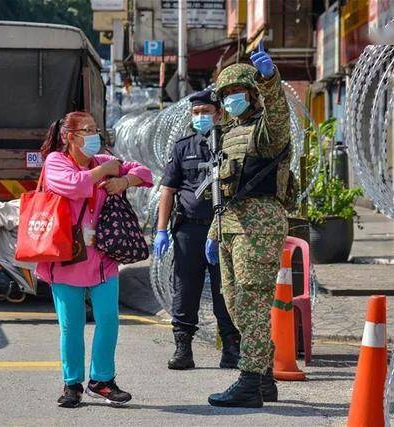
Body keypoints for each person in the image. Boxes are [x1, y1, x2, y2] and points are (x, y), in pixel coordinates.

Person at [36, 111, 153, 408]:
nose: (93, 136)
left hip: (102, 258)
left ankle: (101, 380)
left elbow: (145, 173)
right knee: (71, 326)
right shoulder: (56, 162)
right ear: (69, 136)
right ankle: (72, 384)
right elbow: (73, 184)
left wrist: (124, 180)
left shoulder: (103, 162)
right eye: (86, 131)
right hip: (66, 258)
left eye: (95, 129)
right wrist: (105, 173)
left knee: (109, 320)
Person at [205, 40, 291, 408]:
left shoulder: (266, 132)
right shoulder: (227, 134)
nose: (230, 99)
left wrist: (270, 79)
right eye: (225, 94)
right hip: (230, 226)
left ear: (253, 94)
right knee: (234, 302)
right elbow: (223, 189)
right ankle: (265, 377)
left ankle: (249, 380)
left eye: (238, 91)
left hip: (258, 226)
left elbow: (278, 114)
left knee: (253, 303)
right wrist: (214, 230)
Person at [154, 89, 241, 370]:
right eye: (196, 113)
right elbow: (168, 190)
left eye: (205, 112)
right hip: (189, 230)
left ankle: (230, 347)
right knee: (185, 289)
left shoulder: (231, 143)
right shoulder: (183, 146)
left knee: (224, 289)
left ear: (219, 113)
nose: (200, 117)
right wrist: (161, 230)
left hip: (224, 228)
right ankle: (183, 348)